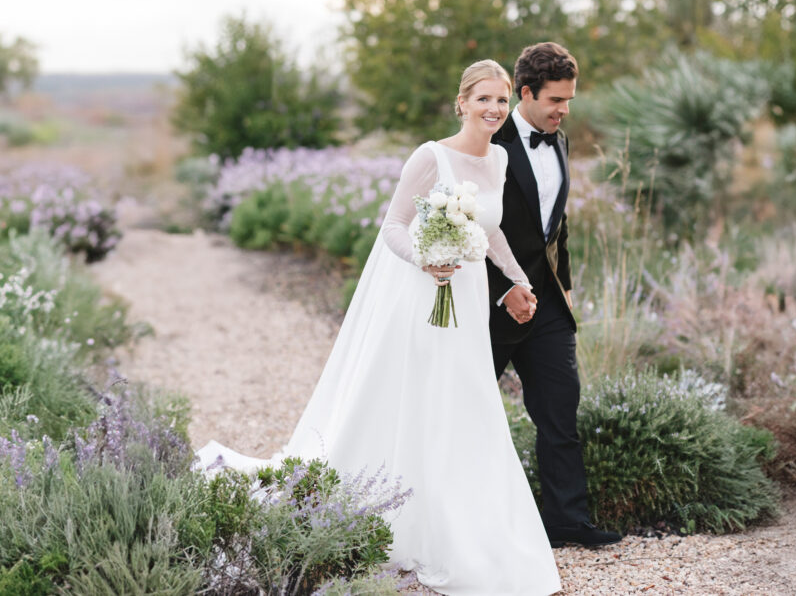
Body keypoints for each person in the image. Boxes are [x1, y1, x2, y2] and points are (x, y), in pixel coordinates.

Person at [198, 60, 561, 595]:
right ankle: (388, 515)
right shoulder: (430, 156)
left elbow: (493, 229)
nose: (493, 109)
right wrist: (424, 258)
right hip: (423, 298)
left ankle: (459, 521)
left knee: (462, 403)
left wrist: (515, 280)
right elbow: (392, 225)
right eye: (483, 98)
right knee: (411, 399)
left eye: (502, 101)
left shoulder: (501, 158)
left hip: (466, 306)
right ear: (460, 102)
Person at [487, 42, 621, 548]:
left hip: (546, 308)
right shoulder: (489, 139)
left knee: (561, 413)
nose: (564, 111)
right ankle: (474, 525)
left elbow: (555, 228)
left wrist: (562, 288)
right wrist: (507, 291)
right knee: (468, 411)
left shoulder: (558, 140)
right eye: (554, 101)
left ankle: (566, 521)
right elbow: (467, 228)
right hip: (489, 305)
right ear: (525, 93)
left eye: (569, 100)